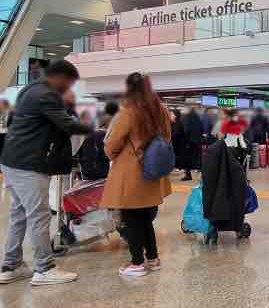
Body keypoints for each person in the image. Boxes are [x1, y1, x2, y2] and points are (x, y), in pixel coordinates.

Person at [0, 60, 92, 286]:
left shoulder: (30, 89)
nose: (69, 88)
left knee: (19, 214)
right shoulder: (46, 94)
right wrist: (93, 127)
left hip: (11, 161)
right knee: (39, 216)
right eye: (68, 83)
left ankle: (11, 265)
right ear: (60, 77)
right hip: (28, 164)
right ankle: (45, 268)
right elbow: (67, 125)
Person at [100, 72, 172, 277]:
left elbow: (112, 145)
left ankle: (137, 263)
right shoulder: (161, 110)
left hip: (132, 172)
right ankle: (153, 257)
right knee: (145, 217)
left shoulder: (129, 111)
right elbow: (167, 137)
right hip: (153, 170)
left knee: (131, 218)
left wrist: (114, 153)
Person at [182, 106, 205, 181]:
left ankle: (188, 175)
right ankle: (203, 174)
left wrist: (186, 142)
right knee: (199, 157)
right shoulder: (199, 118)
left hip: (190, 142)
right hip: (198, 141)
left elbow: (186, 130)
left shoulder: (187, 118)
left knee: (187, 158)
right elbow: (202, 129)